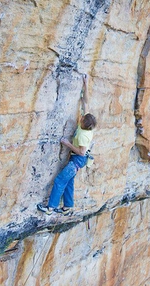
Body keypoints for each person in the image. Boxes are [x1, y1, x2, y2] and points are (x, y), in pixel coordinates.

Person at [37, 74, 96, 216]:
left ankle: (50, 208)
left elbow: (82, 152)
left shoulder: (82, 134)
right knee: (69, 182)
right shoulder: (88, 127)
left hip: (77, 160)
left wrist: (67, 143)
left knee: (60, 180)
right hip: (78, 160)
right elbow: (86, 102)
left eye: (82, 118)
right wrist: (85, 83)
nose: (80, 117)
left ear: (83, 123)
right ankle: (68, 206)